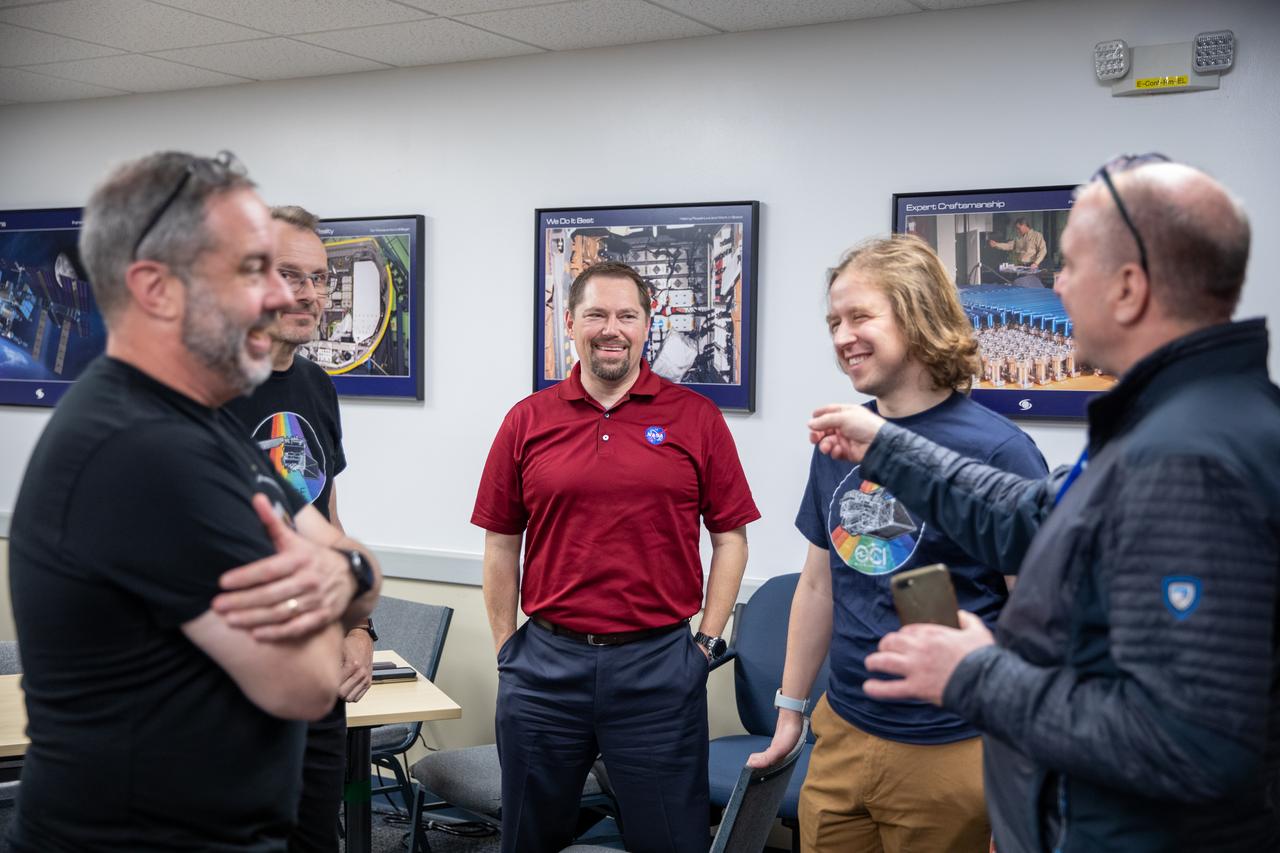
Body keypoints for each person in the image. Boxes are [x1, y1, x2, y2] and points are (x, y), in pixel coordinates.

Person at [808, 156, 1279, 852]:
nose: (1056, 284)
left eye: (1071, 265)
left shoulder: (1191, 458)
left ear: (1128, 288)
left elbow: (1189, 742)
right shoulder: (1172, 420)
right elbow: (1036, 516)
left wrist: (977, 674)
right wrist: (888, 446)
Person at [8, 151, 381, 852]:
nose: (279, 298)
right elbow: (305, 683)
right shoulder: (143, 449)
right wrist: (344, 578)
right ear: (156, 289)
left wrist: (349, 581)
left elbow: (340, 552)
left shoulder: (200, 421)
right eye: (251, 271)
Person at [746, 236, 1046, 853]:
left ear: (916, 314)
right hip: (842, 733)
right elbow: (818, 586)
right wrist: (790, 711)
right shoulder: (842, 439)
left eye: (860, 316)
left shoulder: (999, 451)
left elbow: (1039, 616)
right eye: (834, 322)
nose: (842, 336)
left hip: (953, 747)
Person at [473, 260, 760, 853]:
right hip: (544, 669)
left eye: (627, 315)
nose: (612, 328)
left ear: (647, 324)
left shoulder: (696, 418)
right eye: (597, 315)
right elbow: (501, 540)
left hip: (658, 669)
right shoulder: (527, 420)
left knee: (670, 840)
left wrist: (706, 644)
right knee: (527, 837)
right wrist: (507, 648)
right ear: (570, 323)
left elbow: (731, 538)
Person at [224, 205, 375, 853]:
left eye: (318, 277)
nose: (310, 293)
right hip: (225, 683)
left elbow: (325, 518)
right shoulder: (198, 388)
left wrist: (359, 627)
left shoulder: (316, 386)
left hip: (312, 677)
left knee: (315, 838)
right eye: (290, 274)